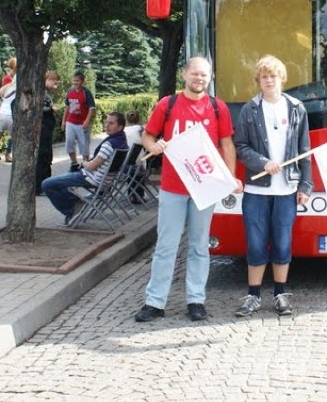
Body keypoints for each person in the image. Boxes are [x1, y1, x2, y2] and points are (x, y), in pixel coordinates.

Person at [134, 56, 243, 323]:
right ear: (185, 74)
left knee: (199, 246)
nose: (199, 79)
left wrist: (229, 178)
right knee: (166, 245)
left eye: (204, 75)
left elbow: (227, 144)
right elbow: (147, 135)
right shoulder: (167, 105)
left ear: (210, 78)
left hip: (204, 189)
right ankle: (155, 302)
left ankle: (196, 300)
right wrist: (152, 146)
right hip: (173, 187)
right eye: (195, 73)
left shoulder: (218, 108)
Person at [232, 55, 312, 317]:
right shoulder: (249, 109)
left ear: (282, 78)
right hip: (256, 191)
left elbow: (304, 150)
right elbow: (240, 146)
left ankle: (281, 294)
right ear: (258, 80)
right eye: (264, 76)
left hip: (286, 189)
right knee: (255, 244)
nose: (268, 80)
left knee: (282, 243)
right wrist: (263, 162)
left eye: (273, 76)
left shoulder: (296, 108)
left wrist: (305, 185)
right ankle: (253, 295)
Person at [42, 111, 128, 224]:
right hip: (105, 181)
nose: (106, 125)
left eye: (111, 123)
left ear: (120, 127)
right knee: (59, 183)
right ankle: (75, 203)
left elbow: (91, 167)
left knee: (47, 184)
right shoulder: (122, 142)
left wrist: (84, 163)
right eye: (106, 122)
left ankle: (72, 209)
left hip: (92, 178)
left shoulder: (109, 144)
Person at [62, 71, 96, 172]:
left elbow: (92, 108)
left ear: (82, 81)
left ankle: (86, 166)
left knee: (84, 145)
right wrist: (64, 121)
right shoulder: (70, 91)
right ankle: (74, 164)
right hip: (71, 122)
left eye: (78, 81)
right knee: (69, 142)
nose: (75, 83)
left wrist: (87, 121)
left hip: (82, 124)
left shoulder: (86, 93)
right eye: (74, 80)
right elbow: (67, 107)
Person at [36, 71, 61, 196]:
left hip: (47, 127)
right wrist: (51, 109)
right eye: (55, 83)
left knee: (46, 156)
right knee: (43, 156)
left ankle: (45, 183)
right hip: (44, 127)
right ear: (49, 79)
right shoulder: (40, 92)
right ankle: (41, 185)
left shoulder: (45, 92)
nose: (55, 87)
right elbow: (38, 108)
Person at [123, 109, 147, 204]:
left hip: (126, 162)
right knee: (138, 171)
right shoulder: (141, 129)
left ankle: (131, 195)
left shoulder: (123, 130)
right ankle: (140, 195)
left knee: (130, 172)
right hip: (140, 162)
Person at [1, 57, 17, 162]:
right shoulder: (7, 79)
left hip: (15, 107)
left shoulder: (14, 77)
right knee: (13, 132)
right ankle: (8, 153)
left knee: (15, 132)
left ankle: (11, 152)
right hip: (9, 108)